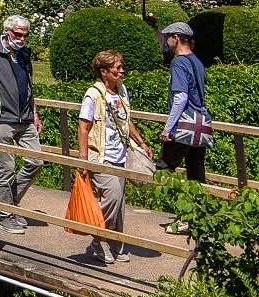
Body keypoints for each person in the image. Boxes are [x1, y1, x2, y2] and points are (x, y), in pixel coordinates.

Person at [78, 50, 150, 265]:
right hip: (100, 156)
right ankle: (98, 239)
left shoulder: (121, 91)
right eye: (117, 68)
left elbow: (126, 121)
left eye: (121, 67)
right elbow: (83, 128)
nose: (122, 71)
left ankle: (115, 242)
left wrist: (141, 142)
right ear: (104, 71)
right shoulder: (93, 95)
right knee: (113, 198)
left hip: (120, 155)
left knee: (119, 204)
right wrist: (82, 159)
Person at [0, 15, 43, 234]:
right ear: (7, 32)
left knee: (36, 161)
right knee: (6, 169)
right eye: (18, 34)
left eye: (25, 35)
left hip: (24, 118)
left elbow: (30, 86)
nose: (22, 39)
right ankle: (4, 215)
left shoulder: (24, 54)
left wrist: (35, 113)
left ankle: (8, 203)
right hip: (2, 118)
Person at [159, 22, 209, 235]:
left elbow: (181, 97)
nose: (166, 41)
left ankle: (183, 217)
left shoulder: (179, 62)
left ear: (177, 38)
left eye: (168, 37)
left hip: (185, 126)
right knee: (196, 175)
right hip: (202, 124)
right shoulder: (196, 61)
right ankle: (197, 220)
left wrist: (168, 128)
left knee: (163, 171)